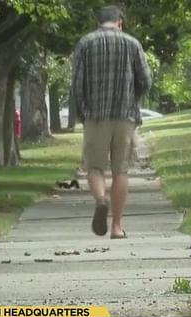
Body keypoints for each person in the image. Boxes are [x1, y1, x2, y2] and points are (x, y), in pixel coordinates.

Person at [71, 5, 152, 238]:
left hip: (96, 117)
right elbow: (145, 81)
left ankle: (100, 199)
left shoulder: (85, 44)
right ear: (120, 23)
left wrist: (83, 112)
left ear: (98, 22)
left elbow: (77, 84)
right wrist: (133, 97)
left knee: (95, 167)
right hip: (125, 117)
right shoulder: (132, 44)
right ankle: (117, 227)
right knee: (121, 171)